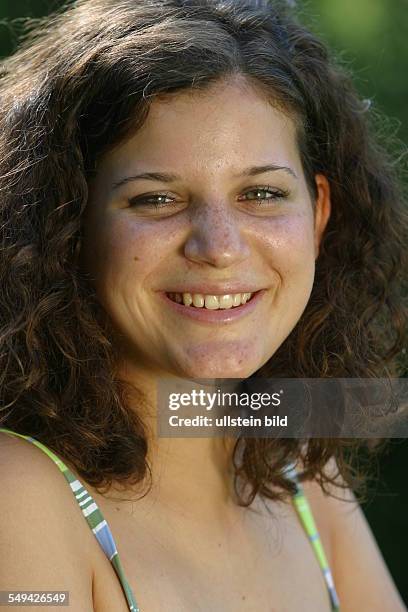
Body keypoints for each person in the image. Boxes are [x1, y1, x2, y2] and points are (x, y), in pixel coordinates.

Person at [0, 0, 407, 610]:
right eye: (156, 199)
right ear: (66, 223)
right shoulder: (20, 492)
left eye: (262, 193)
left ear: (319, 217)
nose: (219, 248)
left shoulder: (291, 459)